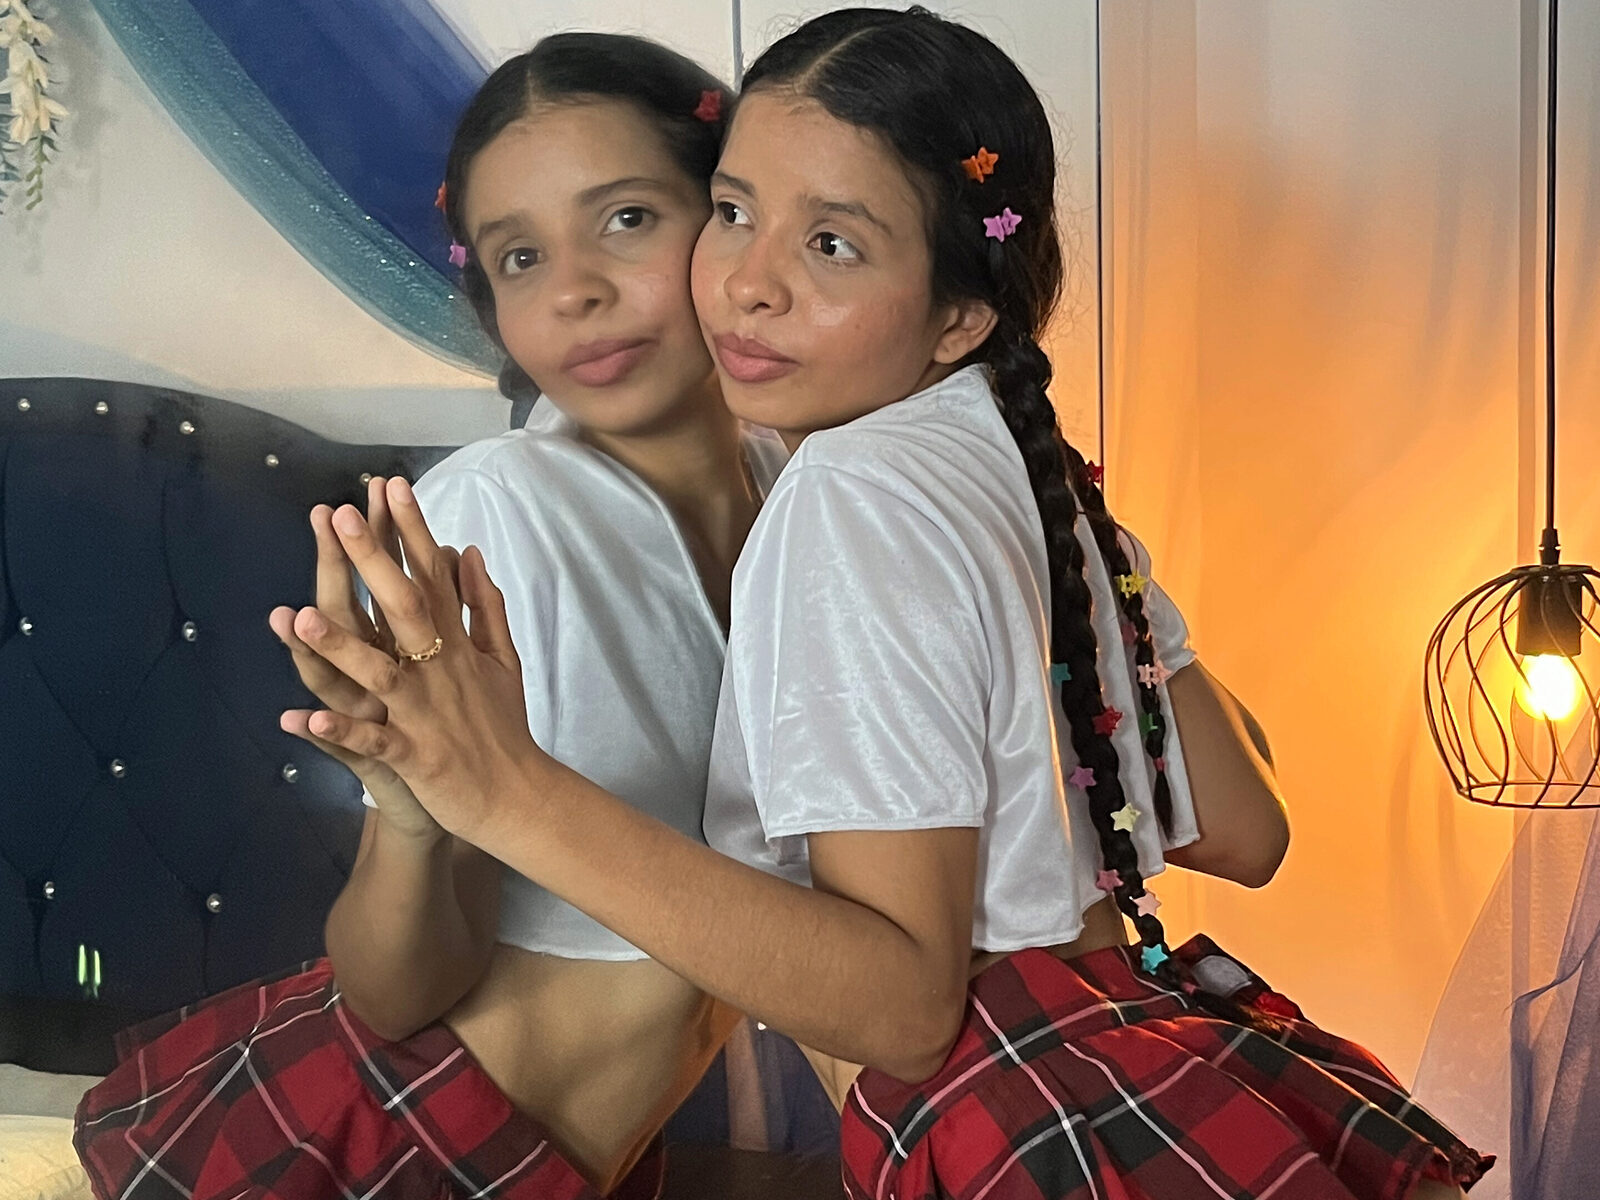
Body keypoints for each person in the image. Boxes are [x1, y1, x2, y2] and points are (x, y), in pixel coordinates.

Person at [290, 8, 1494, 1197]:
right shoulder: (1019, 470)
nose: (751, 282)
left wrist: (506, 789)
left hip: (1009, 1115)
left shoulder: (848, 494)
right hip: (1148, 1064)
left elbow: (906, 1012)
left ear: (960, 313)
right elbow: (1244, 828)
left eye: (832, 245)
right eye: (736, 212)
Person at [74, 33, 782, 1200]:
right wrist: (409, 820)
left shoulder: (793, 491)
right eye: (519, 257)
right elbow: (397, 996)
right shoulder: (486, 520)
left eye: (626, 219)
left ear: (731, 217)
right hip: (411, 1143)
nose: (574, 291)